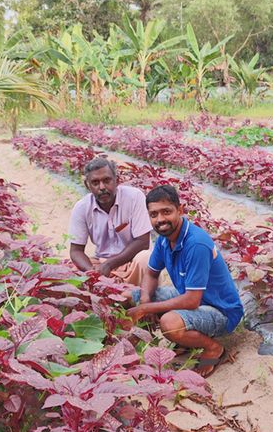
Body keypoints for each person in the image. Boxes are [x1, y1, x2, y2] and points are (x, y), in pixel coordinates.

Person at [128, 185, 243, 376]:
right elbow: (151, 273)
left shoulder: (195, 244)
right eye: (154, 214)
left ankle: (213, 348)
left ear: (180, 210)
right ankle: (178, 342)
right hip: (193, 300)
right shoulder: (165, 238)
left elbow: (192, 300)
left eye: (166, 212)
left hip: (221, 311)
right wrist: (145, 301)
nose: (160, 220)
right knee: (132, 296)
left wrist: (144, 309)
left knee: (169, 322)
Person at [68, 157, 152, 284]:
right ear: (87, 185)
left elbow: (143, 242)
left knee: (146, 259)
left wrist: (110, 264)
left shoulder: (134, 197)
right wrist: (91, 271)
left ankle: (138, 297)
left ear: (116, 180)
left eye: (107, 180)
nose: (102, 187)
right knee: (69, 268)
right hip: (101, 263)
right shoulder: (82, 207)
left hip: (131, 262)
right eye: (95, 182)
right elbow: (76, 251)